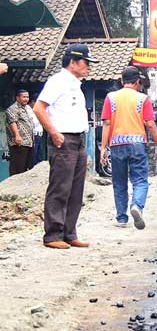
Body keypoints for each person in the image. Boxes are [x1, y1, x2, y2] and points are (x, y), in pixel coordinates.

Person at [33, 43, 97, 249]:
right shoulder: (58, 81)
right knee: (60, 187)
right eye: (86, 62)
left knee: (76, 189)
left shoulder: (75, 85)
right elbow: (39, 108)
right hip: (63, 139)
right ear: (73, 62)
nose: (88, 67)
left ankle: (69, 232)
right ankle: (52, 235)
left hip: (78, 139)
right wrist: (54, 132)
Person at [100, 66, 157, 230]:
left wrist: (103, 148)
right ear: (138, 82)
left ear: (122, 81)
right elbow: (150, 124)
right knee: (140, 180)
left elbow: (106, 123)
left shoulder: (110, 97)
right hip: (137, 144)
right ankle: (136, 205)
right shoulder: (143, 99)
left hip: (117, 144)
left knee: (119, 182)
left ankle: (122, 218)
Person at [6, 89, 35, 176]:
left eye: (27, 97)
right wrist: (17, 136)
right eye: (24, 97)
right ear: (17, 98)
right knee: (18, 167)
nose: (26, 99)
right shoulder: (12, 109)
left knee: (26, 166)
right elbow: (12, 122)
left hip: (28, 142)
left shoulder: (27, 108)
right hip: (19, 143)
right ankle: (14, 187)